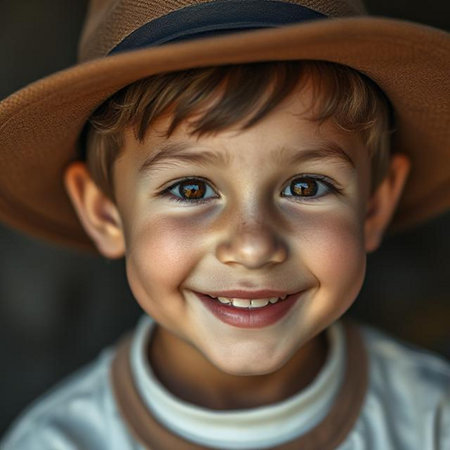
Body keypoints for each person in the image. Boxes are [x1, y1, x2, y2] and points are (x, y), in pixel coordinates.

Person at [0, 0, 449, 448]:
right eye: (191, 190)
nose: (252, 247)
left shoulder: (433, 420)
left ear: (373, 207)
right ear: (105, 213)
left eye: (306, 187)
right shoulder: (55, 442)